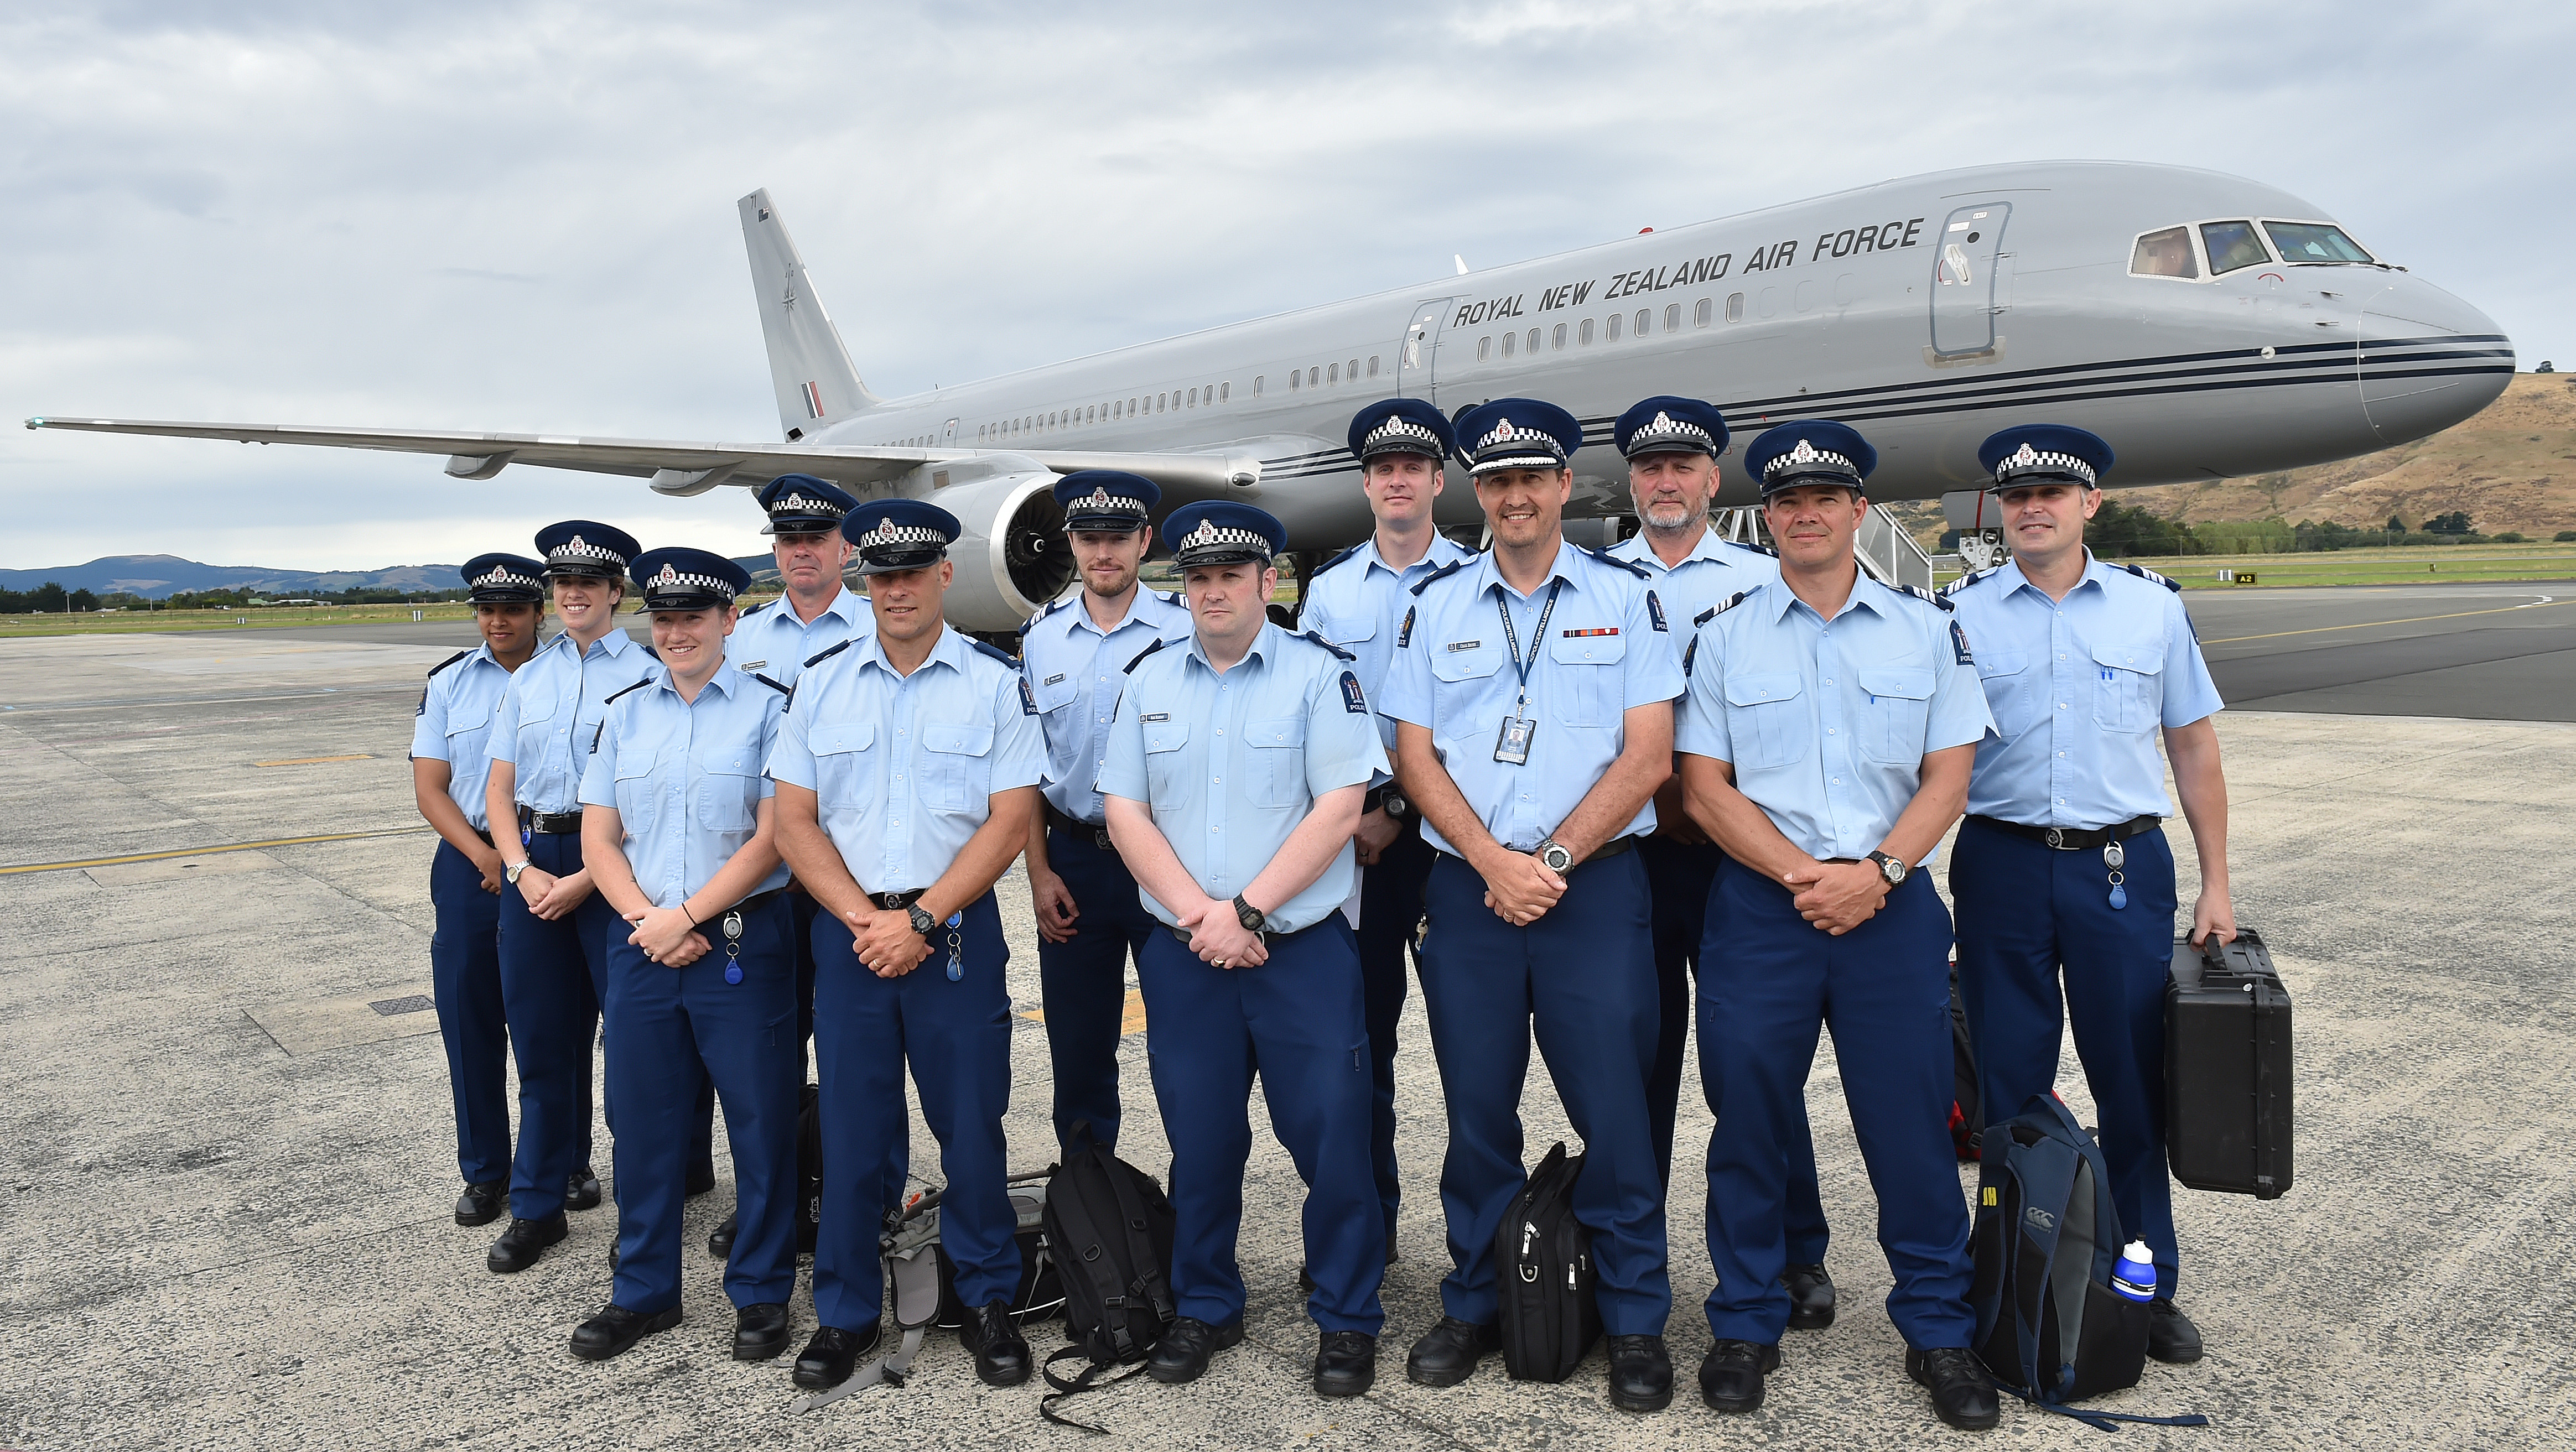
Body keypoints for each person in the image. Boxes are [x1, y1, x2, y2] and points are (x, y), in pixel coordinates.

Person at [1674, 420, 2001, 1430]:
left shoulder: (1924, 628)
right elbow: (1702, 786)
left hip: (1890, 912)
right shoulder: (1727, 634)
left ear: (1860, 511)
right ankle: (1747, 1319)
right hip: (1762, 913)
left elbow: (1952, 773)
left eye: (1824, 498)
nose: (1804, 514)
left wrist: (1880, 872)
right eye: (1785, 501)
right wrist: (1803, 874)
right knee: (1749, 1125)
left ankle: (1940, 1333)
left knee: (1909, 1129)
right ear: (1765, 516)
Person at [1380, 399, 1682, 1413]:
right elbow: (1412, 757)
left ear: (1563, 488)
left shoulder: (1623, 597)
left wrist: (1547, 859)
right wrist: (1492, 862)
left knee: (1616, 1109)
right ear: (1481, 493)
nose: (1514, 496)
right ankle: (1474, 1298)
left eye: (1532, 479)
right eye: (1496, 481)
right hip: (1470, 892)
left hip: (1591, 889)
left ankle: (1636, 1315)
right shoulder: (1437, 608)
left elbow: (1648, 755)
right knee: (1475, 1110)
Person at [1942, 423, 2232, 1366]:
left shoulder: (2151, 611)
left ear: (2089, 504)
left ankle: (2143, 1289)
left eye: (2053, 493)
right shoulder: (1962, 613)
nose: (2033, 507)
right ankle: (2013, 1281)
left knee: (2134, 1094)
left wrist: (2217, 884)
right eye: (2017, 494)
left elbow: (2192, 748)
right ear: (2001, 507)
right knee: (2007, 1099)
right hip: (2001, 865)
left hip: (2120, 871)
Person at [1098, 501, 1390, 1398]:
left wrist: (1249, 914)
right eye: (1198, 576)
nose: (1213, 590)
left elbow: (1340, 809)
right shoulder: (1148, 680)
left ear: (1270, 581)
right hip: (1189, 956)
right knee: (1203, 1140)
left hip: (1297, 954)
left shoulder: (1317, 676)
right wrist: (1201, 916)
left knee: (1332, 1139)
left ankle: (1345, 1316)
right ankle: (1205, 1304)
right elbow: (1124, 812)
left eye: (1232, 574)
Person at [767, 499, 1045, 1392]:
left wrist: (920, 920)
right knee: (852, 1135)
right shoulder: (823, 681)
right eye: (879, 576)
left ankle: (990, 1298)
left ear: (942, 576)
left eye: (910, 573)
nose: (894, 591)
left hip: (953, 937)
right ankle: (847, 1312)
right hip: (852, 936)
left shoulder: (994, 682)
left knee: (972, 1130)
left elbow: (1011, 819)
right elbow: (792, 818)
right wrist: (862, 920)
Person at [1606, 395, 1839, 1328]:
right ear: (1633, 480)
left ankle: (1793, 1249)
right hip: (1629, 858)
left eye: (1685, 466)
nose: (1667, 482)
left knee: (1756, 1065)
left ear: (1713, 479)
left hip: (1743, 859)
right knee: (1637, 1062)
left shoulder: (1760, 576)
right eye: (1650, 467)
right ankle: (1636, 1249)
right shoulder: (1592, 582)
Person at [570, 548, 802, 1362]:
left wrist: (690, 914)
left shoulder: (774, 711)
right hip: (641, 944)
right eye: (662, 620)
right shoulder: (626, 710)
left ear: (729, 621)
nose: (676, 633)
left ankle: (761, 1291)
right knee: (640, 1127)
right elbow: (600, 834)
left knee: (760, 1125)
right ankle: (643, 1292)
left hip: (739, 942)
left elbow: (777, 837)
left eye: (692, 618)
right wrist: (646, 917)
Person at [483, 521, 691, 1273]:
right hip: (535, 866)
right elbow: (498, 788)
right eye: (562, 584)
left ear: (616, 594)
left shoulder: (644, 674)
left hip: (614, 870)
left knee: (636, 1063)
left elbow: (651, 798)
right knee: (540, 1050)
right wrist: (520, 868)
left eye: (589, 584)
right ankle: (537, 1206)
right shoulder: (525, 679)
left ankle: (640, 1220)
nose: (573, 595)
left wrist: (585, 880)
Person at [1295, 399, 1473, 1266]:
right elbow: (1316, 717)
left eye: (1414, 468)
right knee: (1359, 1048)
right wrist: (1357, 815)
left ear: (1439, 482)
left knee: (1473, 1049)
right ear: (1367, 485)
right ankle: (1373, 1226)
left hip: (1443, 847)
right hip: (1352, 851)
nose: (1398, 481)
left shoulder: (1479, 582)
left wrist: (1397, 809)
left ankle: (1482, 1247)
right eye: (1383, 470)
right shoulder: (1329, 594)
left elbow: (1471, 725)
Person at [708, 472, 871, 1260]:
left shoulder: (880, 627)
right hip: (770, 883)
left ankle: (863, 1202)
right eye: (788, 539)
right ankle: (769, 1203)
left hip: (860, 880)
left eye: (816, 538)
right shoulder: (738, 643)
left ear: (846, 547)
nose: (801, 551)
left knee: (858, 1058)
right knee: (768, 1056)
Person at [1017, 470, 1193, 1157]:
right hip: (1074, 864)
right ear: (1071, 543)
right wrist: (1038, 873)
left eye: (1119, 538)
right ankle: (1092, 1216)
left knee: (1185, 1053)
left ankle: (1189, 1226)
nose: (1104, 554)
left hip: (1166, 863)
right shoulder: (1042, 639)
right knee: (1079, 1053)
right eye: (1089, 539)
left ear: (1146, 541)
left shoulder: (1184, 630)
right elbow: (1028, 773)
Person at [409, 553, 545, 1231]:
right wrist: (486, 855)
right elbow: (430, 788)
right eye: (487, 609)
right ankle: (487, 1170)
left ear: (538, 613)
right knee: (470, 1023)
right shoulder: (449, 684)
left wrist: (520, 860)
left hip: (551, 860)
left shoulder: (567, 679)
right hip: (469, 864)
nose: (498, 621)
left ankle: (560, 1163)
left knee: (553, 1024)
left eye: (513, 609)